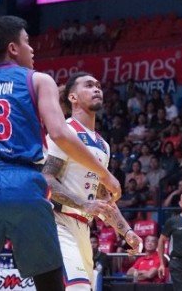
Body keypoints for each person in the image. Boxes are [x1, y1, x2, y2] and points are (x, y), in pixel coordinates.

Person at [0, 15, 121, 291]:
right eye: (27, 42)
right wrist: (104, 174)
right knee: (48, 279)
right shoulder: (38, 80)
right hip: (25, 183)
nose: (32, 49)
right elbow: (60, 133)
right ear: (13, 48)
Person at [42, 71, 142, 291]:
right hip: (56, 222)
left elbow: (101, 196)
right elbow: (45, 179)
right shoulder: (64, 131)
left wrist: (126, 231)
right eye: (88, 85)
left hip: (83, 227)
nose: (97, 88)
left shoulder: (102, 145)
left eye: (98, 85)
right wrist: (84, 203)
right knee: (77, 287)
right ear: (72, 97)